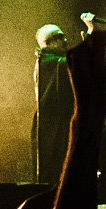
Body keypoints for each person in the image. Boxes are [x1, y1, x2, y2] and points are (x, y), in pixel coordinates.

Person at [32, 24, 72, 183]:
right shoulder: (49, 62)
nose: (65, 40)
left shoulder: (52, 62)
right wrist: (90, 35)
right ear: (49, 42)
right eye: (60, 37)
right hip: (52, 128)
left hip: (54, 125)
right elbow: (76, 64)